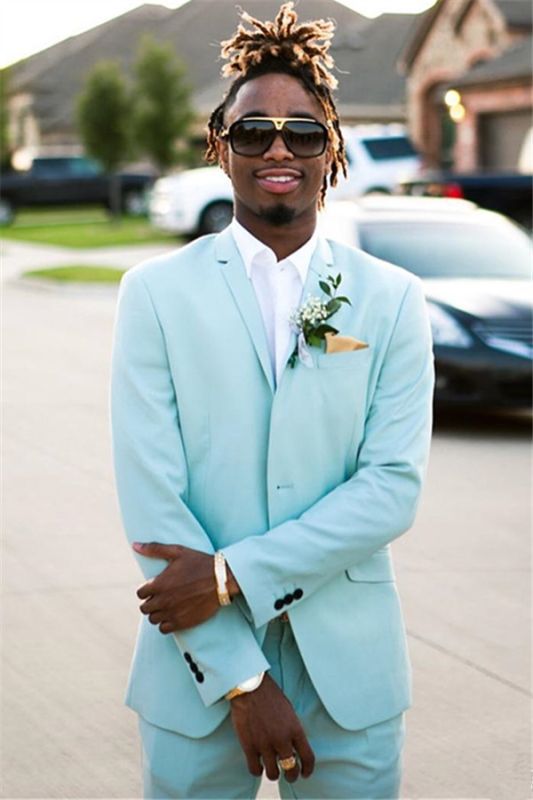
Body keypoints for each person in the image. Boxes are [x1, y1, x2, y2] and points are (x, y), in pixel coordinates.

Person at [110, 3, 435, 798]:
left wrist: (228, 575)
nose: (278, 148)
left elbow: (390, 488)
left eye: (303, 131)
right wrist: (241, 681)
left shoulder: (391, 299)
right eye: (253, 131)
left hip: (349, 670)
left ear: (334, 149)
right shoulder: (153, 293)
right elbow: (153, 498)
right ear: (221, 149)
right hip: (197, 669)